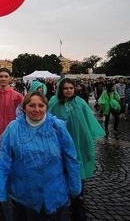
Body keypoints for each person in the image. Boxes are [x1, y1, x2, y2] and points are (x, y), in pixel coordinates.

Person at [0, 92, 81, 221]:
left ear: (46, 107)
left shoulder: (57, 126)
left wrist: (75, 186)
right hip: (23, 195)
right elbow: (4, 160)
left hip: (54, 194)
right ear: (24, 107)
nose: (36, 110)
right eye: (31, 105)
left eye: (41, 105)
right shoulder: (14, 128)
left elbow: (70, 157)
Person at [48, 78, 105, 220]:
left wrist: (88, 140)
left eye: (71, 88)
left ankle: (77, 201)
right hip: (61, 146)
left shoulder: (80, 103)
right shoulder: (53, 103)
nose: (68, 91)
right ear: (60, 89)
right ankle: (63, 200)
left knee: (79, 171)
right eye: (65, 88)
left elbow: (87, 122)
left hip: (80, 143)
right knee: (62, 172)